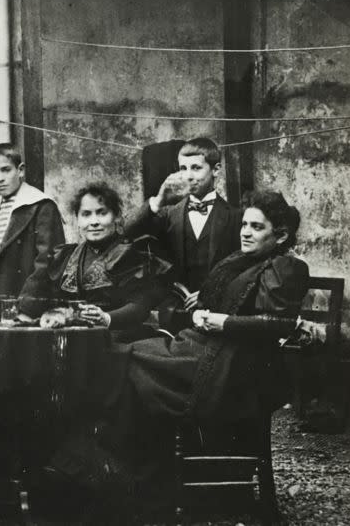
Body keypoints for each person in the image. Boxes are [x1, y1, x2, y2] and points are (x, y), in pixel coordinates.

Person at [57, 190, 309, 494]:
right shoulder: (242, 261)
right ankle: (126, 470)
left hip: (235, 363)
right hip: (206, 347)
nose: (245, 232)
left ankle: (135, 475)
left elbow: (278, 324)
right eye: (244, 225)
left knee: (126, 360)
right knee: (123, 359)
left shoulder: (285, 267)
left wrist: (221, 321)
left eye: (257, 227)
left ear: (280, 235)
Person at [17, 182, 170, 341]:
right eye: (86, 214)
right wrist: (28, 314)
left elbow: (140, 306)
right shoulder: (65, 256)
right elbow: (40, 291)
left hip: (119, 338)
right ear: (77, 220)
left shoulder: (133, 253)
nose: (94, 221)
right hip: (73, 338)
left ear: (116, 217)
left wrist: (106, 318)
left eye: (102, 213)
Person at [124, 137, 241, 314]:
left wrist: (210, 292)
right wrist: (158, 200)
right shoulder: (168, 214)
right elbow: (127, 232)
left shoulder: (235, 217)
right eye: (183, 168)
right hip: (175, 311)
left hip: (218, 311)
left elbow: (242, 268)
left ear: (216, 170)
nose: (188, 176)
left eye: (196, 168)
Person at [0, 143, 65, 321]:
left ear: (21, 170)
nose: (0, 178)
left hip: (27, 305)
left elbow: (47, 262)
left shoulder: (40, 205)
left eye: (6, 170)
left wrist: (26, 308)